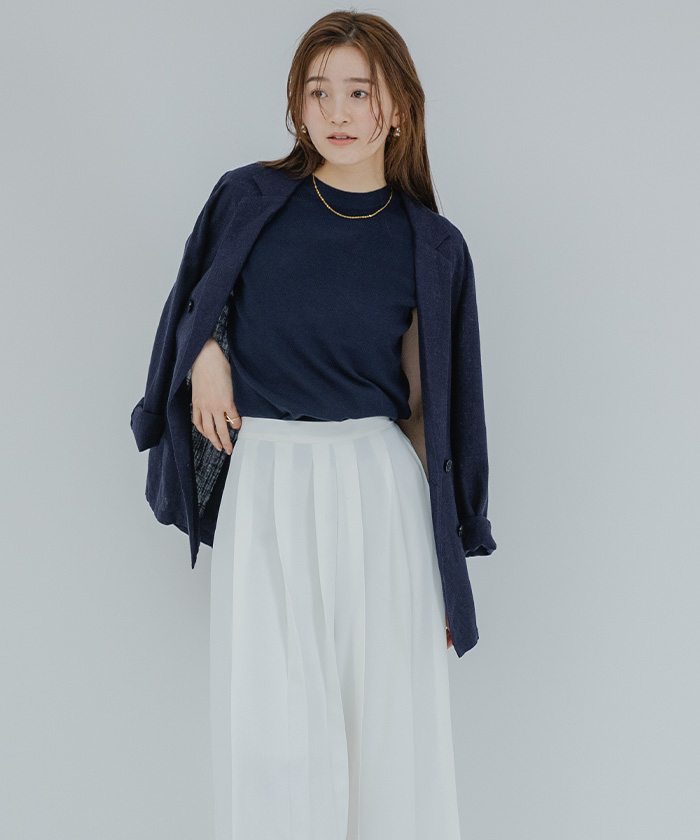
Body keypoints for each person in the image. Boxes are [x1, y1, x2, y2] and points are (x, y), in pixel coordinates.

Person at [131, 9, 496, 839]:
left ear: (397, 108)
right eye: (318, 91)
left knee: (388, 728)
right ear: (296, 103)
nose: (338, 112)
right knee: (271, 732)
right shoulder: (248, 198)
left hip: (380, 488)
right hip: (268, 478)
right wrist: (206, 353)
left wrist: (448, 562)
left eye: (359, 92)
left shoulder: (432, 245)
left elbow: (432, 413)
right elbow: (191, 304)